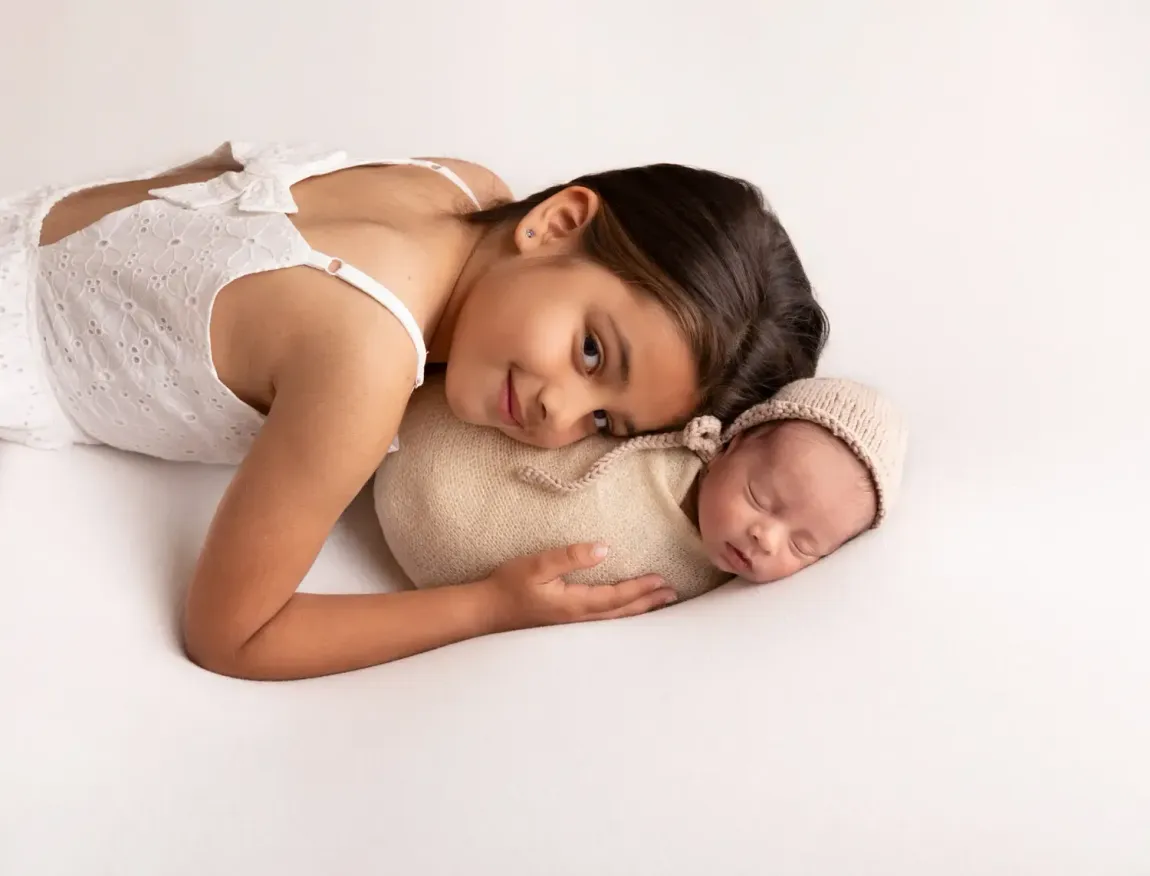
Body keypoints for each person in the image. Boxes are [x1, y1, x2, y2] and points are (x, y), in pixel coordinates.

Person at [0, 141, 827, 680]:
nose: (557, 414)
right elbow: (233, 637)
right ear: (560, 220)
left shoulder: (457, 183)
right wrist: (489, 605)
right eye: (592, 353)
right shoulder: (363, 364)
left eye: (605, 425)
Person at [376, 375, 907, 601]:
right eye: (760, 499)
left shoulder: (710, 595)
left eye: (802, 546)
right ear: (731, 443)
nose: (766, 538)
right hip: (422, 443)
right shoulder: (665, 439)